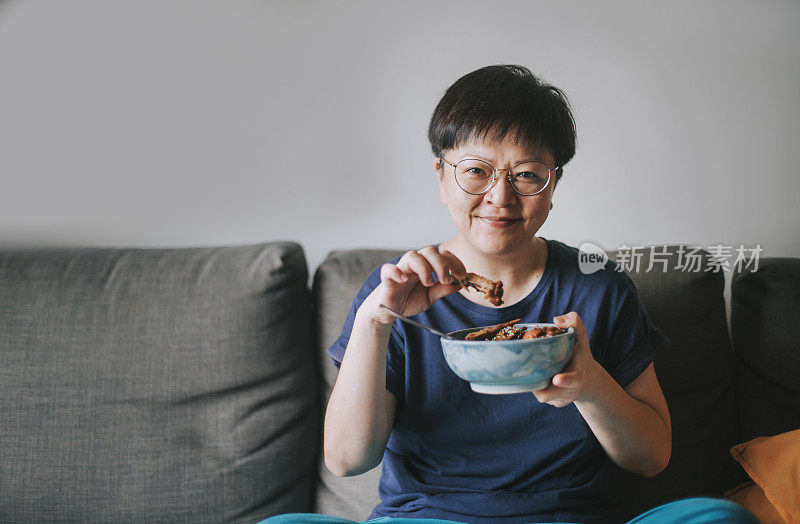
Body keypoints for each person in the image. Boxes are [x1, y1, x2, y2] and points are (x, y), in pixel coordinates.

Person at [261, 66, 757, 524]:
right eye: (476, 171)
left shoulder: (598, 287)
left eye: (526, 175)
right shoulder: (392, 291)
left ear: (553, 182)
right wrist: (377, 320)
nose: (501, 197)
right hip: (426, 519)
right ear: (441, 177)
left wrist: (588, 384)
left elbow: (652, 458)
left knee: (720, 518)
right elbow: (347, 460)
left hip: (566, 519)